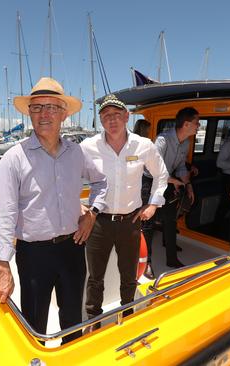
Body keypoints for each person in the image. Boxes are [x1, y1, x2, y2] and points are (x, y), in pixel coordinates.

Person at [0, 77, 107, 344]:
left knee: (73, 322)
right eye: (37, 107)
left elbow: (102, 182)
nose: (44, 114)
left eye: (52, 107)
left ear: (64, 114)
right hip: (34, 256)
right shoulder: (14, 158)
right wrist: (3, 269)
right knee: (34, 326)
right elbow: (3, 214)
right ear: (29, 113)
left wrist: (92, 214)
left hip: (72, 250)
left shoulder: (77, 153)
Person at [80, 94, 168, 323]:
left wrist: (154, 204)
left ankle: (127, 315)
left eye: (117, 115)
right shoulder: (88, 147)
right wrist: (77, 206)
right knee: (95, 277)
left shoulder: (143, 145)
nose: (112, 120)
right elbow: (66, 176)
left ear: (127, 117)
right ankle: (93, 320)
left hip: (131, 220)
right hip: (98, 221)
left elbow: (161, 174)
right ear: (100, 120)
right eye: (106, 115)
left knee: (129, 276)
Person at [141, 107, 200, 272]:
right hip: (150, 181)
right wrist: (174, 181)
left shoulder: (186, 142)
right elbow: (153, 169)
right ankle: (147, 264)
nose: (199, 126)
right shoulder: (163, 140)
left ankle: (172, 259)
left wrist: (188, 185)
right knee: (148, 223)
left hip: (167, 182)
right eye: (197, 123)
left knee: (170, 220)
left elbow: (181, 166)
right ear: (186, 124)